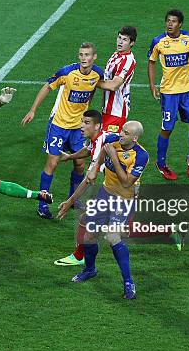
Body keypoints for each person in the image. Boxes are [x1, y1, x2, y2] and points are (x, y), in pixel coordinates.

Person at [22, 42, 117, 219]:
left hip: (79, 128)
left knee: (80, 164)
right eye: (81, 55)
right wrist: (33, 110)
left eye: (87, 55)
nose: (83, 58)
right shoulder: (67, 72)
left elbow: (106, 86)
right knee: (52, 163)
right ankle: (42, 204)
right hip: (58, 124)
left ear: (94, 57)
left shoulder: (97, 74)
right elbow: (47, 86)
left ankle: (73, 199)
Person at [58, 121, 148, 299]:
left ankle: (129, 282)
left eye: (126, 133)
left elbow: (127, 182)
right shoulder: (112, 140)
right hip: (105, 195)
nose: (121, 134)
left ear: (135, 138)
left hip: (124, 200)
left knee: (113, 237)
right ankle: (90, 269)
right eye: (122, 131)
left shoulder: (141, 155)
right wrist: (95, 167)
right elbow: (101, 151)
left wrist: (113, 157)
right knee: (89, 235)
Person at [148, 9, 189, 180]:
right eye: (167, 21)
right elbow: (151, 62)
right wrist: (152, 85)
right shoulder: (158, 41)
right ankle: (161, 163)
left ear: (180, 24)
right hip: (169, 93)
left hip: (188, 91)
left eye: (173, 21)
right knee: (167, 128)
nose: (169, 24)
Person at [54, 110, 110, 266]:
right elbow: (88, 150)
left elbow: (89, 179)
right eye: (82, 122)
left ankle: (80, 258)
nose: (81, 126)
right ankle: (79, 256)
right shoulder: (98, 139)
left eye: (86, 123)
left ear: (97, 126)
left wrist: (69, 202)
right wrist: (70, 156)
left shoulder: (100, 143)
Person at [101, 26, 138, 133]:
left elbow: (114, 85)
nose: (120, 42)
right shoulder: (116, 55)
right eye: (119, 38)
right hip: (107, 109)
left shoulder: (128, 61)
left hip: (117, 111)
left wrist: (91, 82)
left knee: (109, 146)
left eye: (125, 40)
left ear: (132, 43)